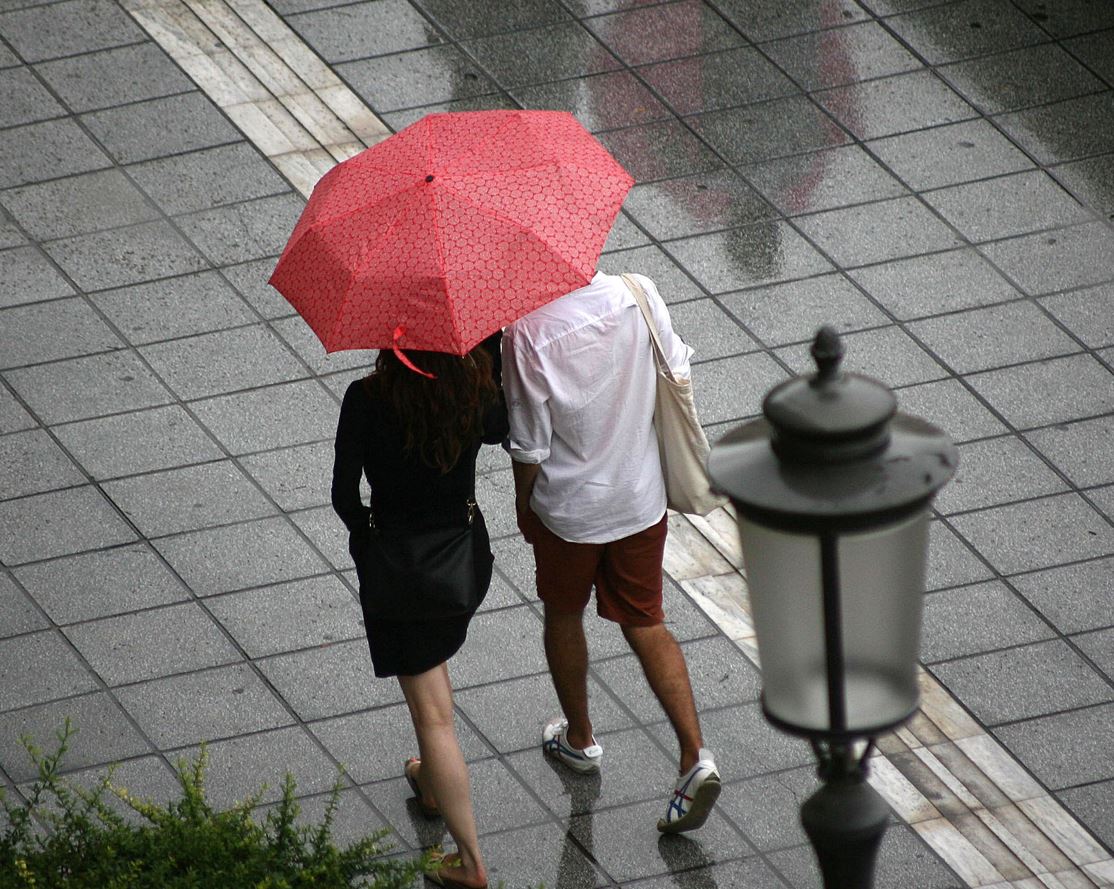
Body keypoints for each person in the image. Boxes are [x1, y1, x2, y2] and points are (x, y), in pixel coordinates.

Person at [502, 271, 721, 833]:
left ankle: (580, 739)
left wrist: (523, 505)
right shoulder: (639, 291)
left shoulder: (526, 333)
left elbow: (530, 444)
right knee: (646, 621)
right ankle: (695, 755)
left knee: (563, 613)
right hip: (639, 497)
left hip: (571, 510)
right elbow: (676, 369)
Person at [331, 334, 506, 889]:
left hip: (404, 576)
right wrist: (491, 350)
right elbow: (504, 430)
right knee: (432, 668)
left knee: (433, 717)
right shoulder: (474, 390)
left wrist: (369, 540)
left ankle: (470, 861)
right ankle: (430, 785)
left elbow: (343, 496)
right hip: (461, 563)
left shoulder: (366, 397)